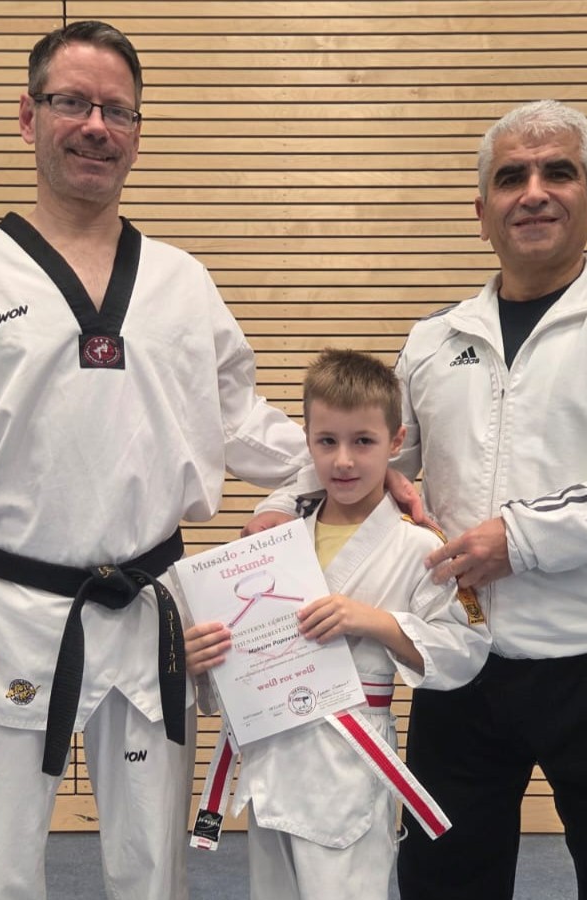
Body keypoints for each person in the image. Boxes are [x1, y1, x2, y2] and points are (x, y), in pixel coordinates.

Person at [0, 20, 329, 900]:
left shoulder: (180, 280)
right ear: (28, 116)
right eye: (72, 103)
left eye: (116, 110)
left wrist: (342, 470)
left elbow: (240, 422)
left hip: (152, 613)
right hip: (6, 614)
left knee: (152, 865)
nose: (95, 125)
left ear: (137, 132)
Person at [383, 100, 587, 899]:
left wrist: (521, 538)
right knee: (442, 879)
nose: (533, 192)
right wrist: (300, 505)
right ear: (482, 211)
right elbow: (365, 454)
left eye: (557, 173)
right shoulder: (434, 339)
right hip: (459, 656)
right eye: (511, 177)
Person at [185, 348, 491, 900]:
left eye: (363, 441)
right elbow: (241, 657)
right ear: (307, 441)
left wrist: (374, 621)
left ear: (396, 443)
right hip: (274, 754)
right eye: (327, 441)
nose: (343, 460)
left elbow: (463, 647)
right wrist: (206, 657)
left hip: (350, 757)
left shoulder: (418, 545)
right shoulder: (274, 545)